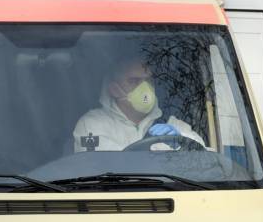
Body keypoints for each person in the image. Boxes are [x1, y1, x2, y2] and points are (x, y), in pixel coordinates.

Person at [72, 55, 205, 153]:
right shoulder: (92, 124)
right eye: (134, 81)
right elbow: (107, 168)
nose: (144, 88)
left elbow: (206, 159)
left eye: (149, 81)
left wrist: (182, 142)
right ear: (114, 90)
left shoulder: (172, 124)